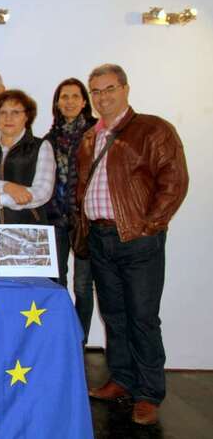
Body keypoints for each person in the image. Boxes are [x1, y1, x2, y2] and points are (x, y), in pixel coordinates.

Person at [79, 64, 188, 426]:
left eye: (109, 89)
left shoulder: (153, 129)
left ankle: (148, 393)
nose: (102, 97)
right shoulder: (91, 136)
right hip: (100, 238)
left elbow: (174, 180)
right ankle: (122, 379)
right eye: (95, 91)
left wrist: (150, 226)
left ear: (125, 89)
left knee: (142, 318)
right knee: (114, 316)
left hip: (137, 238)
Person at [44, 78, 97, 343]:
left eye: (75, 96)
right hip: (55, 220)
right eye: (64, 97)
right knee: (57, 283)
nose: (69, 102)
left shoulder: (97, 134)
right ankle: (59, 340)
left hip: (85, 221)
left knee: (83, 286)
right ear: (56, 103)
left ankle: (80, 340)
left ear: (85, 102)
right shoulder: (49, 140)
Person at [0, 89, 55, 224]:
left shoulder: (41, 146)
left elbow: (42, 192)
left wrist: (0, 200)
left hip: (29, 229)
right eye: (2, 112)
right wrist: (5, 186)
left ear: (26, 116)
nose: (8, 118)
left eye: (15, 112)